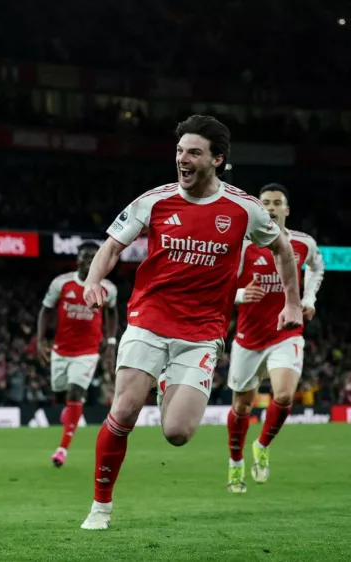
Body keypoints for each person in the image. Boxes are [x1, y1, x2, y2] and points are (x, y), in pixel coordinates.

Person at [77, 115, 303, 531]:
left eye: (194, 152)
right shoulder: (154, 200)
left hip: (202, 332)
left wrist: (291, 303)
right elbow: (111, 246)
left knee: (178, 433)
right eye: (180, 150)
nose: (183, 159)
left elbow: (284, 249)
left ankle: (167, 385)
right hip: (149, 317)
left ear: (216, 160)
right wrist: (93, 280)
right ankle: (101, 506)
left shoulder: (244, 208)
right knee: (124, 409)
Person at [225, 183, 324, 493]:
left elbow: (317, 267)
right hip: (248, 337)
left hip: (286, 333)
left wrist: (308, 299)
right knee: (242, 406)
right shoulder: (243, 245)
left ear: (286, 210)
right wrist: (241, 294)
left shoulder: (303, 243)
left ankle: (263, 446)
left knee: (283, 395)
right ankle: (236, 462)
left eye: (276, 202)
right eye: (264, 202)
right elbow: (219, 282)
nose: (270, 207)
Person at [37, 242, 118, 468]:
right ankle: (69, 411)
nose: (88, 261)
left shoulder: (107, 288)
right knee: (60, 395)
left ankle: (62, 449)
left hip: (88, 352)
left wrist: (110, 342)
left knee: (75, 393)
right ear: (78, 259)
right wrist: (41, 340)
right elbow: (46, 309)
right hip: (61, 350)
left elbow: (112, 312)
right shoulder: (62, 284)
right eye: (84, 257)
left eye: (93, 257)